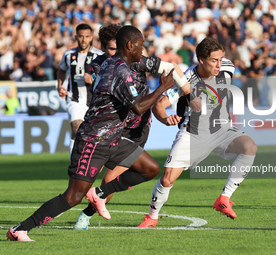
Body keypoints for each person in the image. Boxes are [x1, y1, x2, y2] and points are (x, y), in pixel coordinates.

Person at [6, 25, 176, 242]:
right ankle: (20, 229)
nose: (142, 51)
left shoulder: (115, 64)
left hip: (113, 138)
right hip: (94, 140)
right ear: (130, 45)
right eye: (141, 46)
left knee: (150, 169)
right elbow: (138, 107)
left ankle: (99, 193)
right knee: (73, 197)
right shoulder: (119, 70)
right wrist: (163, 87)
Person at [73, 23, 201, 230]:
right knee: (86, 181)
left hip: (135, 128)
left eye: (119, 48)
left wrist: (190, 96)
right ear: (104, 48)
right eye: (111, 49)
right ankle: (74, 203)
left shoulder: (139, 61)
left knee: (109, 178)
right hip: (110, 126)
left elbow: (172, 70)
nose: (117, 53)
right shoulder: (99, 65)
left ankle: (86, 215)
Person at [137, 37, 257, 228]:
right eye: (214, 60)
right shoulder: (186, 80)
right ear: (201, 60)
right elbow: (159, 106)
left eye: (221, 59)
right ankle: (152, 216)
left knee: (249, 147)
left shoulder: (227, 67)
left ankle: (224, 198)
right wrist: (166, 119)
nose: (219, 65)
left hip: (222, 129)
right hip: (193, 134)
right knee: (167, 178)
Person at [57, 23, 103, 156]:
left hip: (93, 101)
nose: (84, 40)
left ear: (91, 37)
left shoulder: (98, 56)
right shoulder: (69, 54)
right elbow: (61, 71)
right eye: (81, 36)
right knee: (77, 129)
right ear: (76, 36)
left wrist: (93, 80)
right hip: (74, 99)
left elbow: (106, 77)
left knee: (92, 135)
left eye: (87, 37)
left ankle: (89, 161)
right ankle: (74, 164)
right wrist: (60, 87)